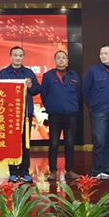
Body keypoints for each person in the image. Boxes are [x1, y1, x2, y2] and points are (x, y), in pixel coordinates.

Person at [0, 46, 41, 183]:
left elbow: (37, 89)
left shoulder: (29, 73)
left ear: (23, 57)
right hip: (9, 115)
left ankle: (24, 171)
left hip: (25, 114)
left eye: (20, 55)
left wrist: (31, 86)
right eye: (15, 55)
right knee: (11, 144)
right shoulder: (3, 73)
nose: (18, 58)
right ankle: (13, 172)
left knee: (25, 143)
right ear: (10, 57)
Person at [82, 45, 109, 179]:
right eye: (101, 54)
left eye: (106, 53)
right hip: (99, 110)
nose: (103, 56)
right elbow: (85, 90)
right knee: (99, 140)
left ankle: (107, 168)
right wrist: (93, 104)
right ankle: (96, 170)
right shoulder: (93, 71)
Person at [40, 50, 81, 181]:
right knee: (53, 143)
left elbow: (78, 94)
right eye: (58, 58)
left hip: (70, 115)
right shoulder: (48, 76)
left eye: (63, 58)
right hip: (55, 115)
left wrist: (72, 106)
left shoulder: (74, 75)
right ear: (55, 60)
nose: (61, 60)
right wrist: (51, 107)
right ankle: (53, 171)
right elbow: (43, 94)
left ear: (67, 60)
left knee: (70, 143)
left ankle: (70, 170)